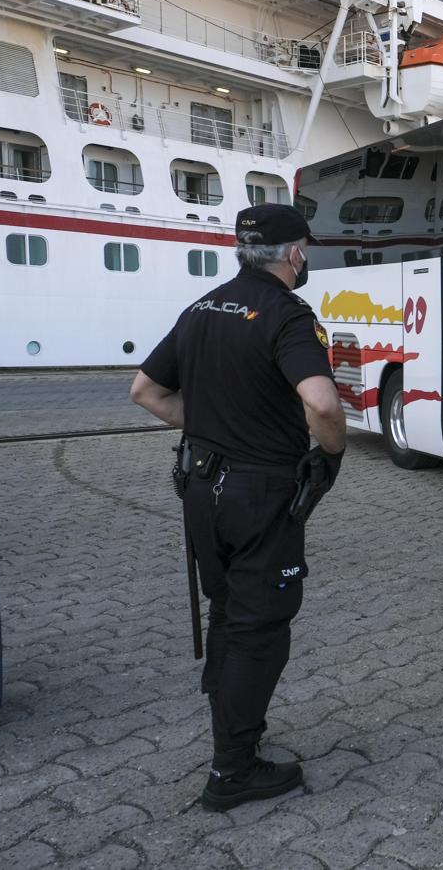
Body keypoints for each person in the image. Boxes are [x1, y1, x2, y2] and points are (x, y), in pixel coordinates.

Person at [130, 204, 345, 809]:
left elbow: (144, 391)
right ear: (294, 253)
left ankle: (231, 724)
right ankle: (232, 771)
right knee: (262, 626)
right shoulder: (287, 314)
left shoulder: (202, 307)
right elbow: (323, 405)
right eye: (305, 247)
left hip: (199, 489)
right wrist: (330, 458)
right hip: (258, 496)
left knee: (228, 610)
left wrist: (215, 434)